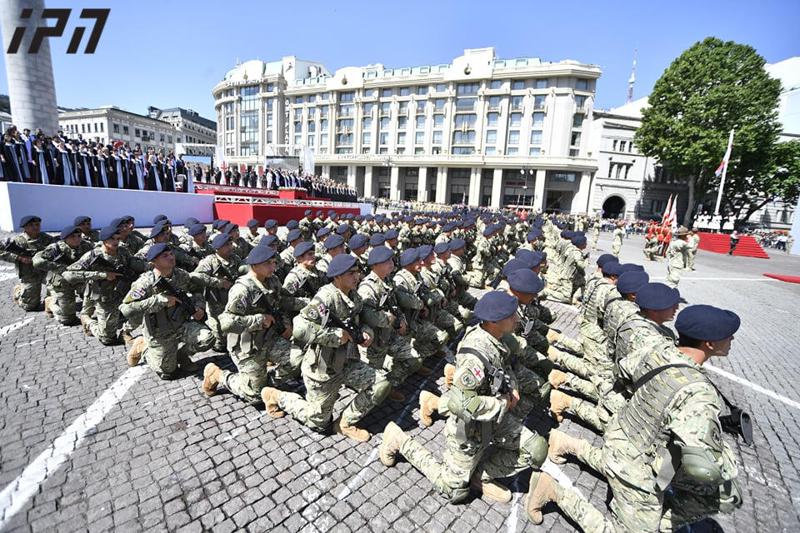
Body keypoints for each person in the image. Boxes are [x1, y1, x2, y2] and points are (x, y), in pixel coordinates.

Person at [528, 305, 743, 532]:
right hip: (639, 461)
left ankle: (570, 445)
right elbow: (704, 465)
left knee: (718, 494)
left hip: (621, 432)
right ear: (709, 344)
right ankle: (553, 490)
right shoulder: (698, 392)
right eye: (727, 336)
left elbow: (622, 374)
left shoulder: (656, 349)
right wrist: (728, 459)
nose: (731, 339)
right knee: (724, 493)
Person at [378, 291, 548, 504]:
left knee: (536, 450)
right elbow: (462, 404)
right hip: (470, 428)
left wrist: (512, 385)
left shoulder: (499, 338)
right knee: (455, 492)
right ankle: (398, 439)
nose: (517, 319)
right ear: (495, 321)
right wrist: (502, 402)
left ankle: (481, 476)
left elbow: (508, 366)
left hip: (493, 416)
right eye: (511, 316)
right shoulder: (475, 355)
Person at [260, 254, 390, 442]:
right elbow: (300, 327)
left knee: (381, 384)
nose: (357, 277)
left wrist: (366, 332)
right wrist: (333, 336)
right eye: (351, 273)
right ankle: (276, 396)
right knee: (319, 423)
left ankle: (345, 423)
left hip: (347, 362)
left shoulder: (355, 296)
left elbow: (361, 322)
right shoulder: (326, 297)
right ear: (337, 276)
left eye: (357, 272)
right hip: (323, 369)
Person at [202, 246, 302, 403]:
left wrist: (289, 322)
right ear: (254, 265)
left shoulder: (273, 281)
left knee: (298, 360)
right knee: (254, 397)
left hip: (269, 339)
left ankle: (265, 385)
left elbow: (281, 303)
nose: (273, 267)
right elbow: (226, 322)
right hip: (246, 345)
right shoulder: (242, 289)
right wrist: (258, 320)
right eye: (268, 263)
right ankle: (218, 375)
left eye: (274, 262)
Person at [121, 243, 214, 377]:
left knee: (208, 338)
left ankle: (182, 356)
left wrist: (199, 306)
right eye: (165, 256)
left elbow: (196, 289)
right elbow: (126, 308)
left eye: (171, 254)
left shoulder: (181, 274)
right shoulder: (145, 283)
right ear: (154, 262)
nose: (171, 257)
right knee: (167, 372)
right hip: (159, 332)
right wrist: (159, 300)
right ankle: (143, 346)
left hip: (181, 324)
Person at [64, 225, 146, 345]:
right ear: (104, 240)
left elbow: (133, 263)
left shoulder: (123, 251)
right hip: (103, 295)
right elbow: (68, 274)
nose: (116, 242)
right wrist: (102, 275)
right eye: (112, 239)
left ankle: (125, 332)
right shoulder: (93, 255)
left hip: (122, 292)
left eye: (118, 239)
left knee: (140, 310)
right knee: (107, 339)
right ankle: (87, 321)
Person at [0, 215, 55, 311]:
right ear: (25, 227)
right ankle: (18, 291)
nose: (35, 227)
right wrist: (19, 257)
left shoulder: (47, 238)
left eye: (37, 224)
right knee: (29, 306)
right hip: (29, 274)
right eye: (31, 225)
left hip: (45, 272)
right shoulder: (18, 241)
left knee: (57, 283)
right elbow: (2, 252)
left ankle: (50, 301)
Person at [33, 225, 84, 325]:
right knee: (67, 320)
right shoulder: (55, 248)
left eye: (79, 236)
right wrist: (59, 267)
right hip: (61, 282)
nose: (77, 239)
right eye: (73, 237)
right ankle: (50, 302)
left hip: (80, 278)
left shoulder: (85, 245)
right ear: (65, 238)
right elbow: (37, 261)